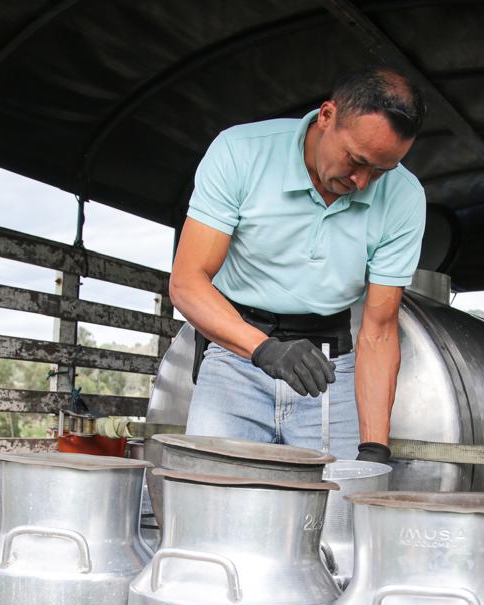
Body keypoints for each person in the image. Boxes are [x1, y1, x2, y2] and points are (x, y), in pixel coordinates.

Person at [170, 67, 427, 463]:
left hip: (328, 371)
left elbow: (378, 331)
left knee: (342, 498)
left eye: (380, 170)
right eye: (356, 160)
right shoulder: (241, 152)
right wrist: (263, 349)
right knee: (212, 493)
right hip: (235, 357)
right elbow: (187, 282)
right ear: (327, 116)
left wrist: (375, 446)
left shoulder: (405, 197)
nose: (362, 182)